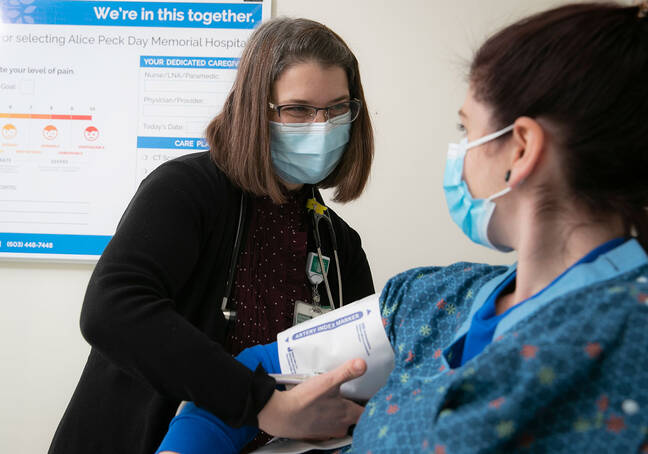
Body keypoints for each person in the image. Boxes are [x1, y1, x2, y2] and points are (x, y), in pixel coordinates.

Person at [157, 2, 648, 453]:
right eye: (300, 110)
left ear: (519, 149)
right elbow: (248, 378)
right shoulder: (429, 300)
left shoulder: (630, 338)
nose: (460, 153)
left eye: (466, 129)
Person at [48, 17, 375, 454]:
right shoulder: (186, 189)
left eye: (337, 109)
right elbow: (112, 310)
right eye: (298, 109)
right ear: (254, 109)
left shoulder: (337, 242)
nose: (322, 126)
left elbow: (360, 365)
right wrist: (262, 405)